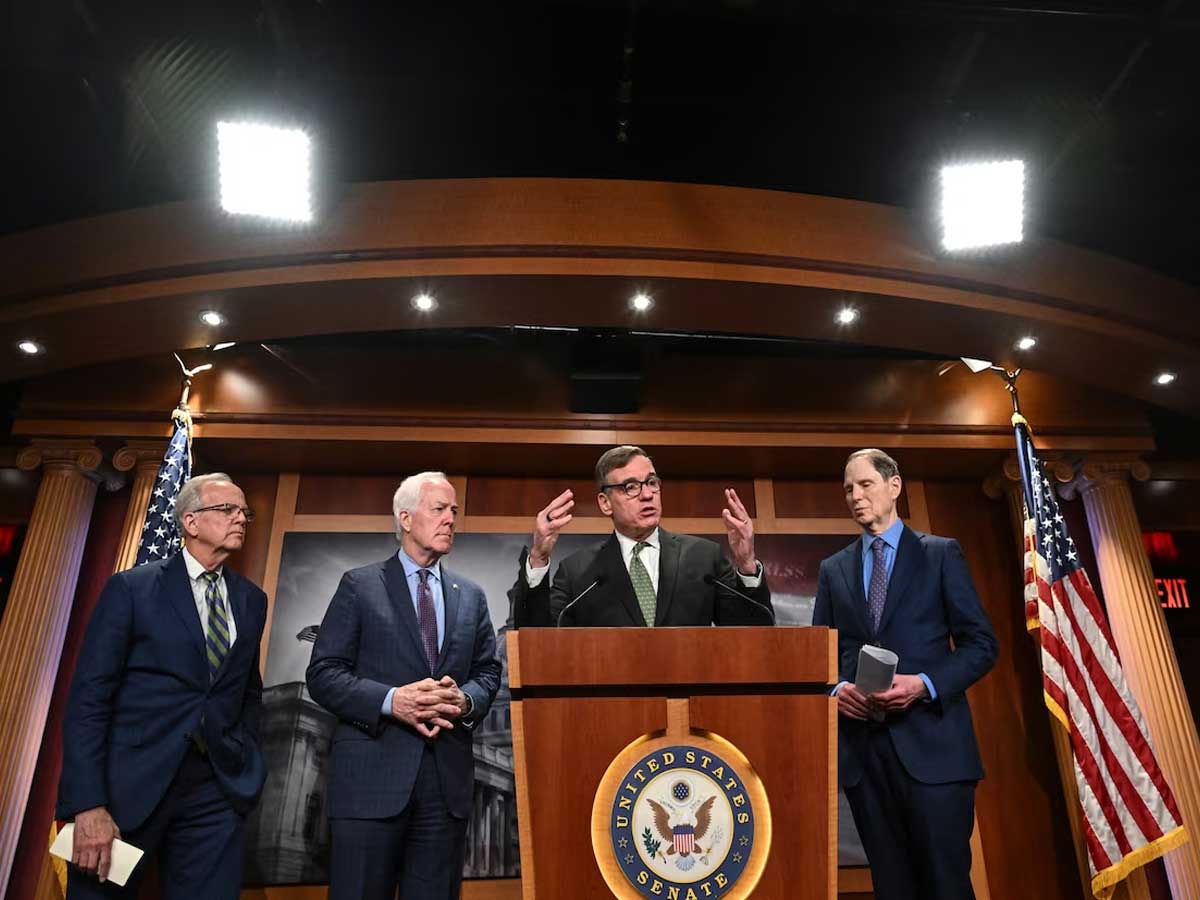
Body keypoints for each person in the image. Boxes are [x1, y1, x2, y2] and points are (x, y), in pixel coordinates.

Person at [57, 473, 267, 899]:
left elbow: (246, 693)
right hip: (126, 789)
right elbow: (89, 698)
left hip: (215, 790)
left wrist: (246, 767)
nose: (241, 518)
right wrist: (88, 804)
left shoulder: (250, 600)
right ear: (190, 522)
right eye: (227, 509)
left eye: (244, 511)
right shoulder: (132, 589)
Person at [813, 449, 998, 900]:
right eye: (848, 490)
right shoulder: (833, 569)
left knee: (945, 885)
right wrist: (838, 688)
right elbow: (820, 657)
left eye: (865, 485)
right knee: (893, 888)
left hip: (935, 754)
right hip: (866, 760)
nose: (855, 497)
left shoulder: (940, 554)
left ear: (894, 486)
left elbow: (980, 646)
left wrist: (924, 685)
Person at [306, 471, 501, 900]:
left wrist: (465, 700)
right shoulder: (359, 586)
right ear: (406, 518)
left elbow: (488, 673)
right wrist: (394, 701)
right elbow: (323, 674)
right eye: (440, 509)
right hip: (369, 786)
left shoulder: (471, 596)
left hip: (444, 788)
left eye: (454, 510)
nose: (451, 518)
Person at [509, 445, 773, 627]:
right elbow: (536, 639)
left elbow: (752, 636)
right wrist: (539, 557)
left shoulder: (704, 558)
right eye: (630, 487)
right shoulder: (579, 572)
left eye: (651, 482)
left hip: (690, 703)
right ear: (605, 503)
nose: (647, 494)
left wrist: (747, 565)